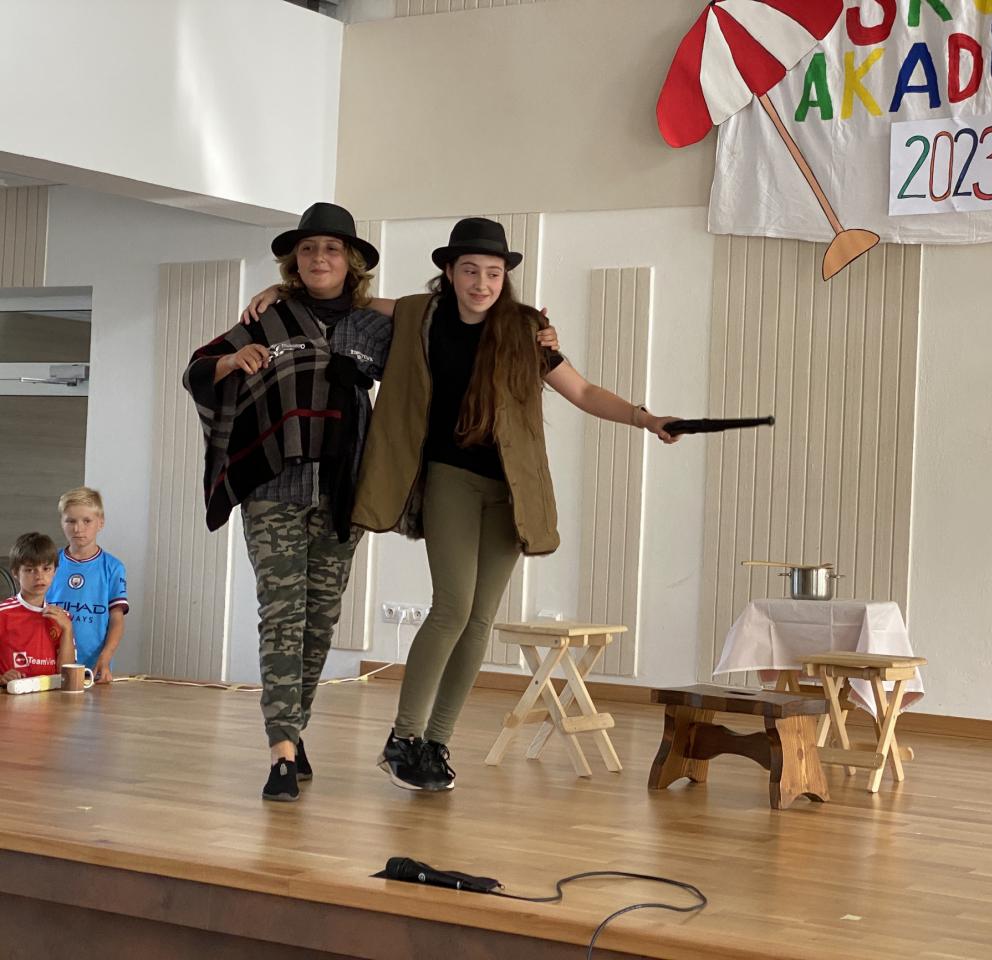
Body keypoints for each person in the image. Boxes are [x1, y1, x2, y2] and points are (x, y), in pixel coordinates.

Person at [351, 217, 680, 792]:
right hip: (449, 479)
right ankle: (403, 738)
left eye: (493, 273)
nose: (482, 283)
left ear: (505, 278)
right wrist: (280, 290)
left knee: (479, 619)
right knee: (451, 608)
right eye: (470, 271)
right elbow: (345, 299)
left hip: (510, 490)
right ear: (448, 272)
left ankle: (436, 743)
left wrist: (646, 418)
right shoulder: (417, 314)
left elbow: (582, 391)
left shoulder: (526, 331)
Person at [183, 202, 394, 803]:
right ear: (293, 261)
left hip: (343, 489)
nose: (318, 258)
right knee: (282, 615)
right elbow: (197, 369)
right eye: (307, 250)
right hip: (273, 489)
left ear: (350, 261)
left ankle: (294, 732)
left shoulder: (372, 326)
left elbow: (435, 320)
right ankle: (280, 750)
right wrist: (231, 360)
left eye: (331, 249)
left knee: (319, 621)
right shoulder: (267, 318)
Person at [46, 486, 128, 682]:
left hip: (93, 667)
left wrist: (105, 657)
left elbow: (116, 619)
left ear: (101, 523)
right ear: (61, 522)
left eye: (87, 521)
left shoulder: (113, 567)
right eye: (71, 521)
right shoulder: (48, 563)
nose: (78, 528)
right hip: (49, 664)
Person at [0, 533, 74, 686]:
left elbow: (66, 675)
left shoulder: (63, 618)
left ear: (55, 571)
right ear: (15, 573)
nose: (39, 576)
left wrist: (67, 629)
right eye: (30, 570)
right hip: (10, 697)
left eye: (46, 568)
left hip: (52, 698)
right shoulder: (3, 614)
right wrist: (1, 678)